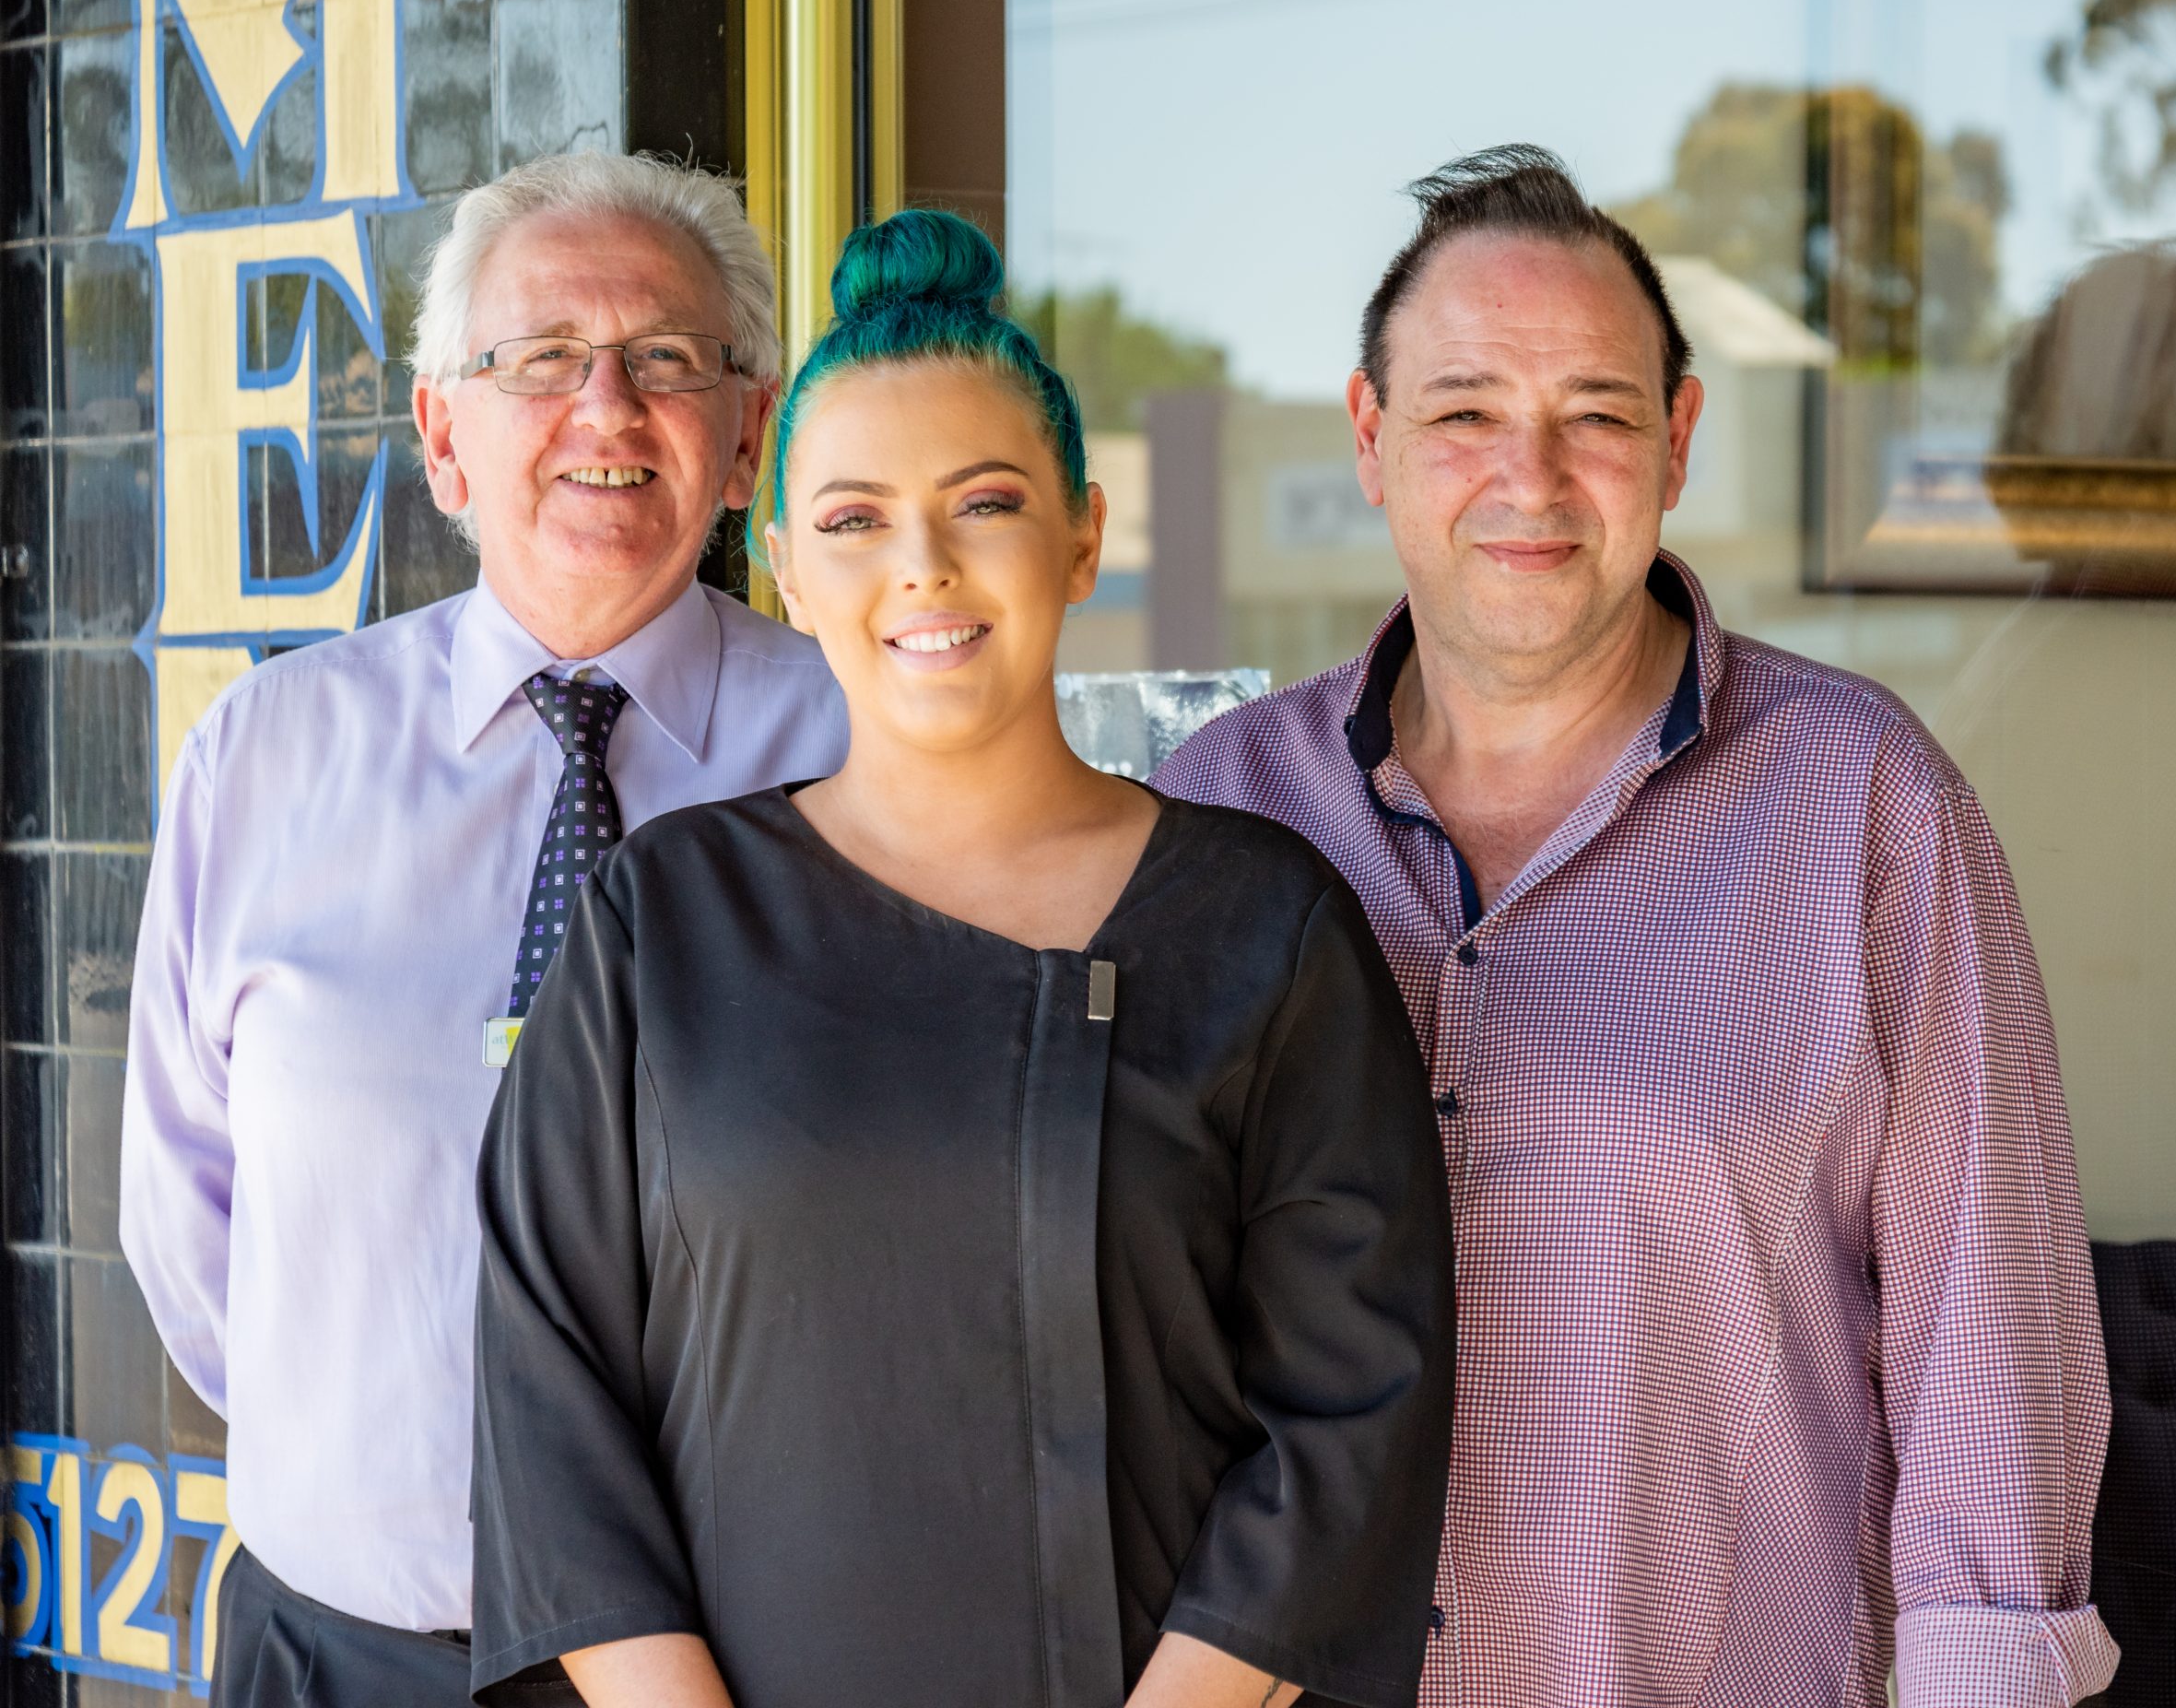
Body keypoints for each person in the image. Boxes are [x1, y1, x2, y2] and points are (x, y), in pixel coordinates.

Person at [1154, 146, 2119, 1708]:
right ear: (1371, 436)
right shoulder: (1219, 814)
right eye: (1465, 411)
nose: (1529, 480)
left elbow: (1989, 1353)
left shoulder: (1865, 803)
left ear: (1675, 443)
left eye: (1594, 415)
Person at [467, 209, 1454, 1708]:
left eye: (982, 503)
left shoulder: (1263, 926)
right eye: (855, 520)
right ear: (787, 567)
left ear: (1082, 539)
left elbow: (1348, 1417)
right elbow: (551, 1397)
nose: (919, 567)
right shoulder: (665, 918)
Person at [120, 150, 849, 1705]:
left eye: (666, 360)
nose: (605, 407)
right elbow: (191, 1227)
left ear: (745, 442)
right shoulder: (266, 754)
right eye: (537, 361)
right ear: (444, 439)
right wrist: (384, 1463)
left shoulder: (864, 756)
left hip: (741, 1666)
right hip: (337, 1648)